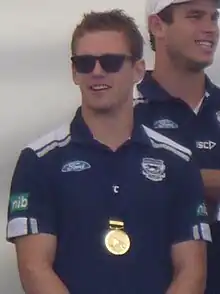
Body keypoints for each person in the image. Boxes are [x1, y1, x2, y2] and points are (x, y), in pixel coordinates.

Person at [6, 9, 210, 294]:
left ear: (139, 70)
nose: (97, 71)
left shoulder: (178, 161)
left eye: (111, 62)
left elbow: (192, 269)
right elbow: (34, 268)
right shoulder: (39, 160)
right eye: (85, 63)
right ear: (74, 72)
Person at [134, 0, 220, 292]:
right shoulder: (123, 109)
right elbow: (116, 182)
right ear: (157, 25)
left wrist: (167, 177)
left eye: (214, 17)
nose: (210, 28)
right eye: (195, 16)